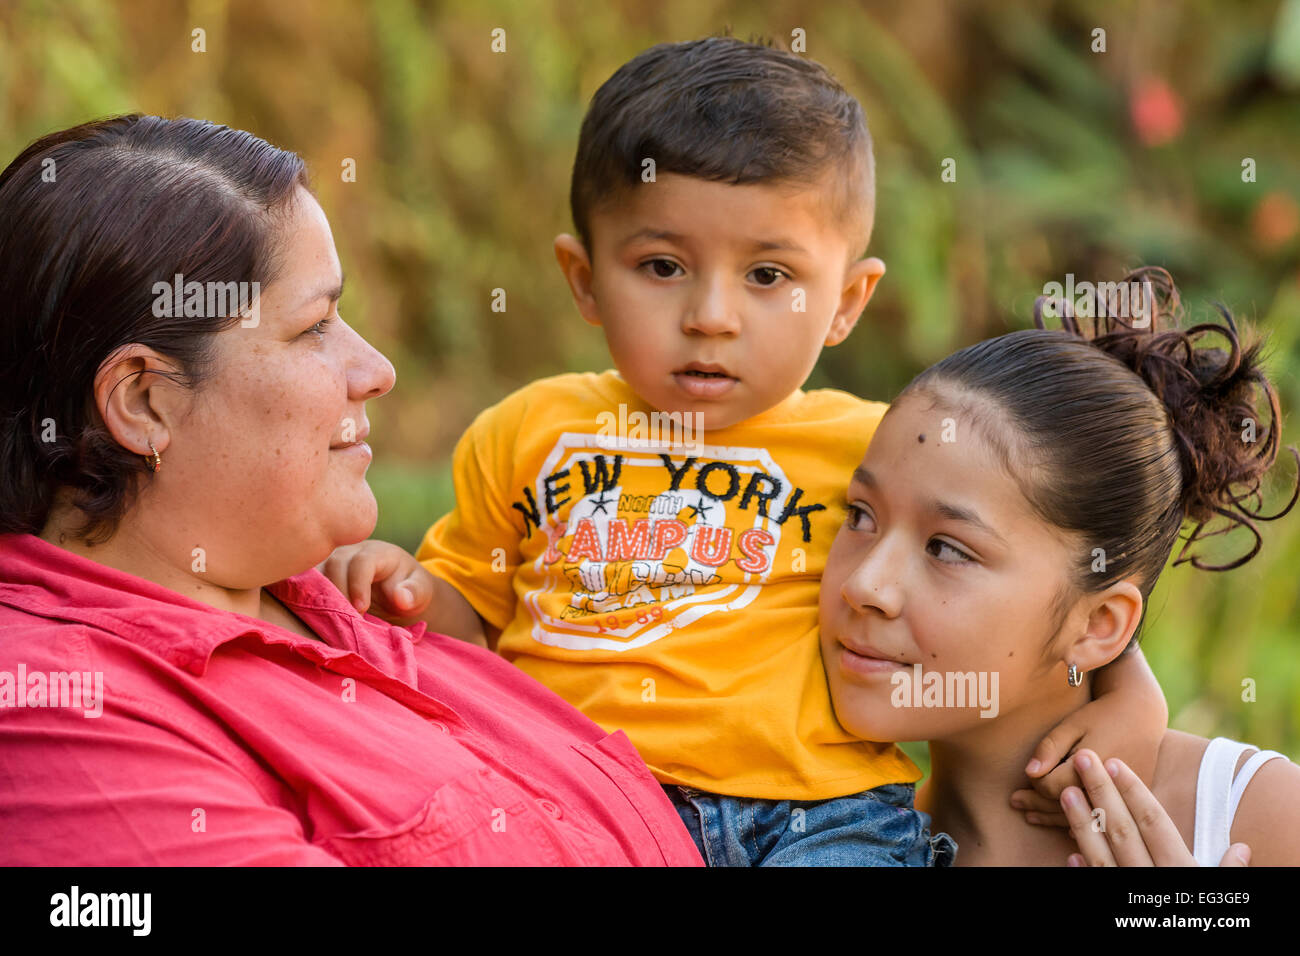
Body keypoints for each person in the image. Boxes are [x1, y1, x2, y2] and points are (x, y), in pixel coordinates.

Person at [323, 36, 1166, 866]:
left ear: (847, 299)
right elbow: (470, 624)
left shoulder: (878, 448)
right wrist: (410, 590)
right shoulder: (524, 434)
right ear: (583, 278)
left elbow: (1051, 583)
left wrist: (1134, 698)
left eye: (768, 276)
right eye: (661, 266)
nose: (711, 316)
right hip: (576, 800)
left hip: (821, 822)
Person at [0, 115, 703, 866]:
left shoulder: (360, 599)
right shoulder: (58, 709)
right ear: (144, 402)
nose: (376, 369)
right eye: (314, 327)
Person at [818, 268, 1300, 865]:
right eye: (861, 515)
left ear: (1100, 625)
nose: (865, 585)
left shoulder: (1250, 816)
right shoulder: (835, 843)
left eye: (946, 548)